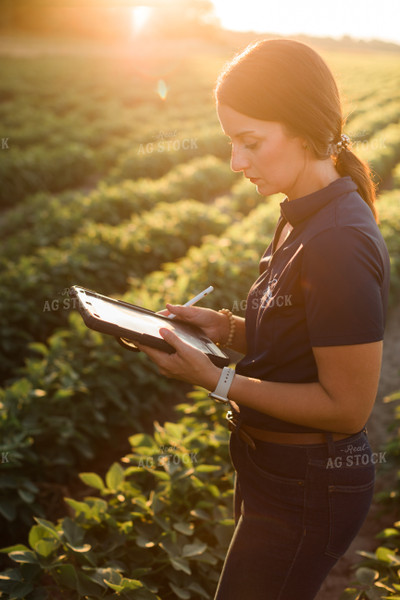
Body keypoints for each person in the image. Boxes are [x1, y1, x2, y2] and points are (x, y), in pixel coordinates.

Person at [136, 39, 390, 600]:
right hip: (276, 470)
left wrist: (216, 379)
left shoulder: (338, 241)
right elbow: (300, 339)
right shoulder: (301, 216)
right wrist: (222, 328)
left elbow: (347, 406)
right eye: (232, 142)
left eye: (250, 142)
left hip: (310, 484)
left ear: (302, 129)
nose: (236, 162)